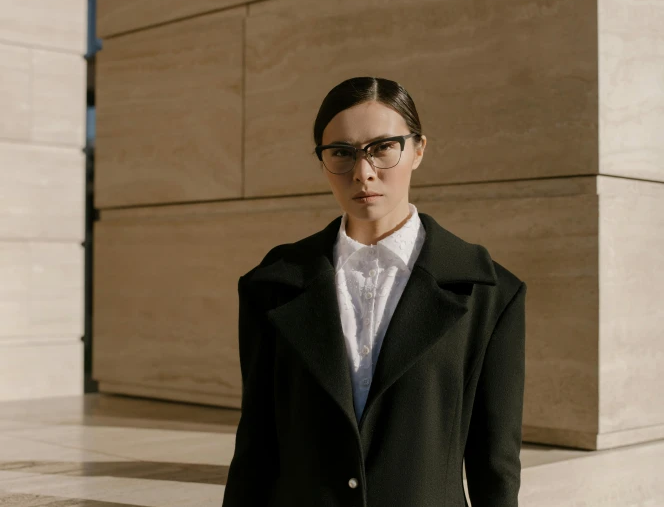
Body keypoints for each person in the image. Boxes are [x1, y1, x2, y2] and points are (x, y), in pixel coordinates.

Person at [222, 77, 527, 507]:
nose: (362, 173)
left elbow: (494, 463)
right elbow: (255, 447)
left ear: (418, 150)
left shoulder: (491, 294)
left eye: (383, 147)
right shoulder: (272, 285)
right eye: (342, 154)